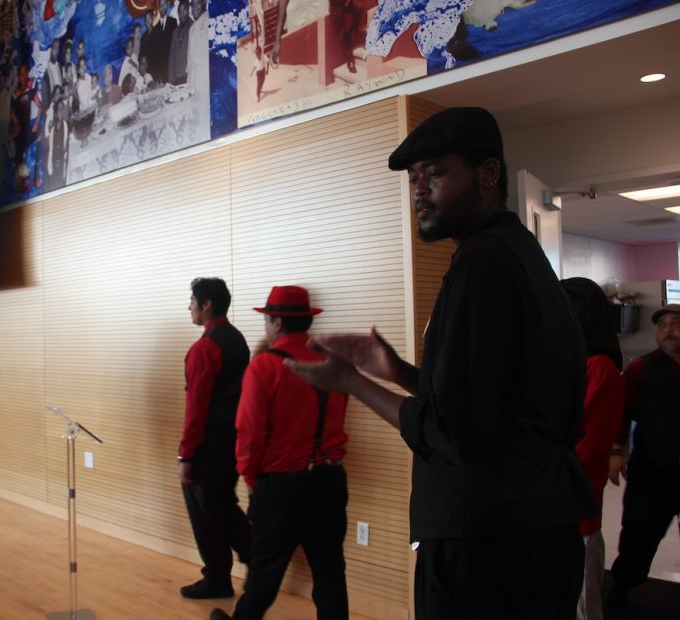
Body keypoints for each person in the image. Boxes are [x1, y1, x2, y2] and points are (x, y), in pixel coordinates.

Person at [287, 106, 596, 620]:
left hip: (489, 544)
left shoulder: (482, 264)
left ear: (489, 173)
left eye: (435, 173)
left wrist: (353, 383)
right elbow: (493, 401)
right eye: (413, 178)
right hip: (532, 528)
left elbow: (456, 433)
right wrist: (401, 372)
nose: (419, 190)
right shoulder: (518, 251)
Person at [210, 286, 350, 620]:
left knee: (264, 575)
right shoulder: (334, 363)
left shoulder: (264, 367)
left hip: (280, 488)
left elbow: (249, 435)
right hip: (330, 481)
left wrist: (251, 478)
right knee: (330, 574)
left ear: (275, 322)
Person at [179, 278, 252, 599]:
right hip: (234, 438)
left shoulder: (204, 348)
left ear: (207, 304)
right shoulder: (238, 339)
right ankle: (255, 558)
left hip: (208, 444)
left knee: (206, 512)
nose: (189, 307)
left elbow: (196, 409)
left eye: (192, 301)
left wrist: (186, 456)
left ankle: (220, 578)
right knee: (223, 504)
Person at [606, 303, 680, 609]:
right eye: (662, 325)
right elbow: (620, 413)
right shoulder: (642, 368)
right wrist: (615, 451)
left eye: (675, 323)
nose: (667, 329)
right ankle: (617, 598)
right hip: (652, 471)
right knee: (638, 540)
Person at [561, 277, 626, 620]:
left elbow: (585, 449)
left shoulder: (599, 367)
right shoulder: (573, 364)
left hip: (576, 514)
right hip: (553, 514)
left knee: (583, 607)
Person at [168, 0, 193, 86]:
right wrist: (170, 79)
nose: (181, 14)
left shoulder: (194, 27)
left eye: (184, 11)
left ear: (188, 10)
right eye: (179, 12)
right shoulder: (175, 32)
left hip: (190, 75)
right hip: (177, 78)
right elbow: (172, 56)